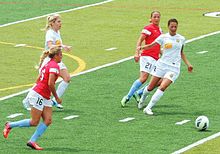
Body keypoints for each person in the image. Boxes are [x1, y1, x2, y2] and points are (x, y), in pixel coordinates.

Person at [3, 46, 62, 150]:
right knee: (34, 122)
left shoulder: (48, 64)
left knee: (48, 120)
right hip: (39, 94)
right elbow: (51, 83)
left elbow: (39, 78)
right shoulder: (54, 66)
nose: (62, 57)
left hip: (44, 95)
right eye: (61, 55)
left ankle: (32, 141)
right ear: (56, 56)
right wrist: (56, 97)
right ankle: (10, 125)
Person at [138, 18, 193, 115]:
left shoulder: (181, 38)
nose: (173, 28)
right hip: (161, 65)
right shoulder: (163, 37)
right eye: (172, 26)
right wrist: (141, 47)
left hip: (174, 68)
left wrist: (188, 64)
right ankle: (142, 98)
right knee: (151, 87)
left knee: (163, 86)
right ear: (168, 26)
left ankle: (148, 108)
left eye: (175, 26)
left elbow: (181, 53)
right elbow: (152, 45)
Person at [23, 14, 71, 110]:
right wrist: (63, 46)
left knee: (67, 78)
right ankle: (27, 100)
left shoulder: (57, 32)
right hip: (49, 61)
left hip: (57, 60)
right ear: (52, 23)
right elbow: (50, 46)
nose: (60, 23)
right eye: (58, 21)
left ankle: (54, 101)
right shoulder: (50, 33)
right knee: (41, 81)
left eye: (60, 21)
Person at [121, 11, 162, 107]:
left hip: (156, 58)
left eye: (158, 17)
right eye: (154, 17)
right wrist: (136, 53)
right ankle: (127, 97)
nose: (156, 18)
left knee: (158, 80)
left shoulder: (159, 30)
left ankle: (139, 92)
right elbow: (140, 40)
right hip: (147, 56)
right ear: (150, 18)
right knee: (144, 78)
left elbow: (158, 44)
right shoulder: (148, 28)